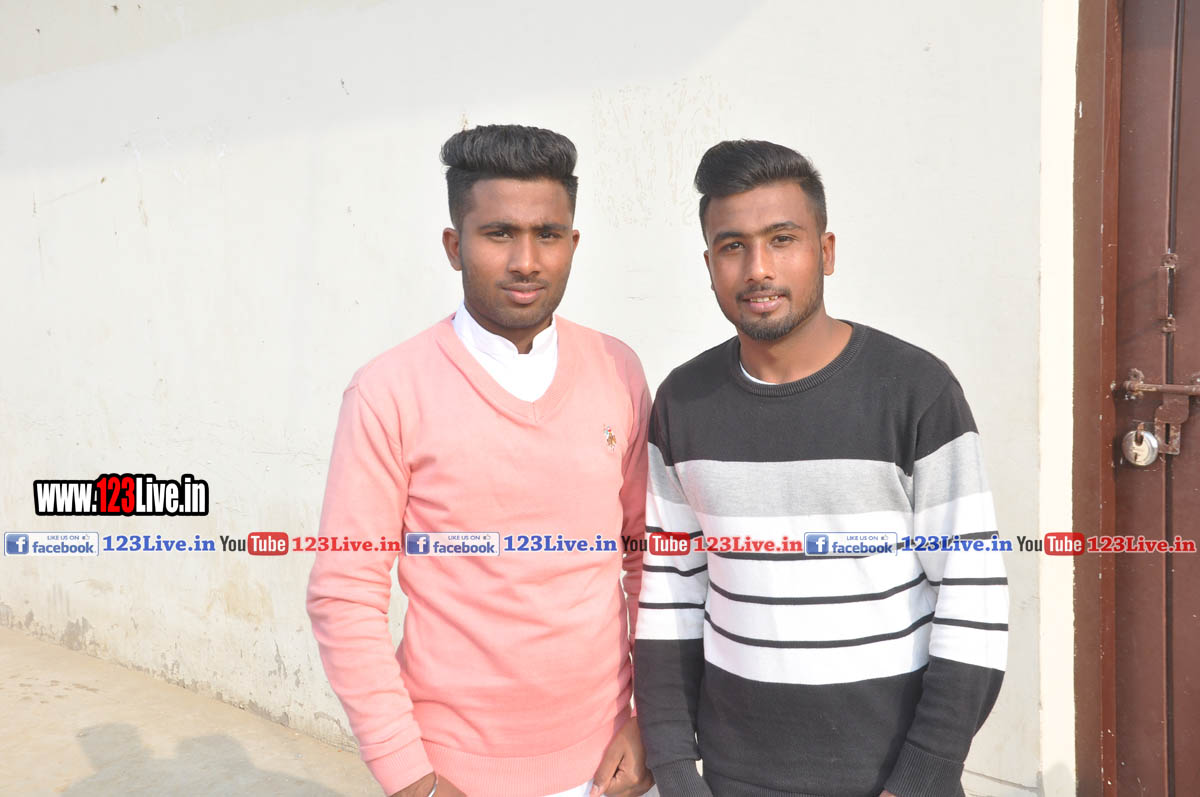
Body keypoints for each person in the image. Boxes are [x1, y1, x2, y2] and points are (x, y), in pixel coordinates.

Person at [633, 140, 1008, 797]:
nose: (758, 268)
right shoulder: (683, 402)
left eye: (783, 239)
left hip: (888, 776)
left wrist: (918, 779)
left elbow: (972, 597)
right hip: (733, 776)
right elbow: (671, 593)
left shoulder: (915, 391)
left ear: (826, 251)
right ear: (710, 263)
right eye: (733, 246)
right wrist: (675, 773)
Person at [307, 124, 654, 797]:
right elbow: (344, 590)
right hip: (454, 772)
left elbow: (649, 560)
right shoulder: (389, 390)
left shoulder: (618, 369)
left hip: (611, 759)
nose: (526, 260)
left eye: (548, 234)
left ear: (573, 243)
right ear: (454, 245)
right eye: (499, 234)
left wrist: (650, 720)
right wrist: (412, 777)